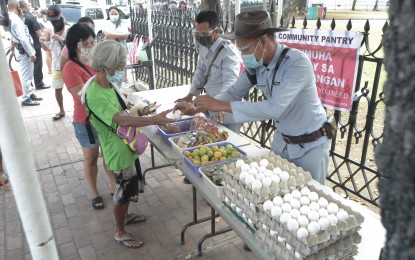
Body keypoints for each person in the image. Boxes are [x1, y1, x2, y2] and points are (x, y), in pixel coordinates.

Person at [179, 11, 330, 184]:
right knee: (277, 191)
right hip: (282, 142)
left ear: (264, 41)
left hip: (310, 146)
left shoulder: (296, 63)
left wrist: (221, 105)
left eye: (245, 49)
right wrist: (200, 106)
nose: (243, 56)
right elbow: (234, 92)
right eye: (240, 50)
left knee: (310, 198)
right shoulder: (257, 66)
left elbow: (275, 107)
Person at [83, 40, 176, 248]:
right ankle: (120, 231)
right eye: (119, 65)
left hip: (127, 145)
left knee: (130, 186)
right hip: (117, 151)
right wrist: (156, 120)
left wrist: (144, 111)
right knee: (123, 192)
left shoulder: (106, 84)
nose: (122, 69)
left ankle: (125, 217)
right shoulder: (95, 93)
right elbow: (121, 120)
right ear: (107, 66)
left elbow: (124, 109)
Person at [174, 10, 241, 184]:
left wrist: (219, 104)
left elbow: (231, 84)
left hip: (225, 108)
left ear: (216, 31)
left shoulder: (229, 53)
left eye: (204, 34)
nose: (200, 37)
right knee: (207, 140)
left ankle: (222, 183)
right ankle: (203, 171)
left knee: (225, 148)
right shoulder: (204, 46)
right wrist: (190, 96)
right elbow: (200, 72)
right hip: (209, 105)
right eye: (197, 33)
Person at [62, 23, 116, 209]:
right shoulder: (70, 68)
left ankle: (113, 186)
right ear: (74, 45)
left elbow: (109, 84)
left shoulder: (96, 63)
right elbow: (82, 95)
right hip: (86, 122)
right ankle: (94, 193)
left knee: (108, 155)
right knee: (91, 158)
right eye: (85, 43)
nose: (90, 46)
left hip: (104, 119)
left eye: (92, 42)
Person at [1, 0, 43, 106]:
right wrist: (32, 53)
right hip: (24, 51)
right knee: (27, 75)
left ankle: (29, 93)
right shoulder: (15, 19)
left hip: (21, 49)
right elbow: (23, 38)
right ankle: (25, 98)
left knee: (28, 74)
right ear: (16, 7)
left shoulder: (10, 17)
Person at [42, 5, 68, 120]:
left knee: (77, 88)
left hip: (69, 65)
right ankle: (61, 110)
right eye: (52, 21)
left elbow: (74, 47)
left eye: (56, 20)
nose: (54, 23)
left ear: (60, 16)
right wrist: (42, 42)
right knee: (58, 89)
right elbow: (47, 49)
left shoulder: (68, 29)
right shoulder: (49, 30)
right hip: (57, 66)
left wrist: (61, 40)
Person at [19, 0, 50, 90]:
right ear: (24, 6)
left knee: (28, 66)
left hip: (24, 45)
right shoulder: (31, 18)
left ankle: (30, 84)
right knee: (37, 64)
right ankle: (39, 83)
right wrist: (43, 42)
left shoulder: (20, 17)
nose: (29, 6)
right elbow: (38, 32)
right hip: (34, 44)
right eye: (28, 4)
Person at [103, 6, 130, 86]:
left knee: (120, 69)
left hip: (122, 50)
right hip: (110, 50)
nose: (114, 15)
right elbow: (107, 35)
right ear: (108, 14)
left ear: (119, 14)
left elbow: (126, 36)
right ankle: (112, 86)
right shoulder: (106, 23)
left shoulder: (123, 24)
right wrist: (119, 36)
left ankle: (119, 87)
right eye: (112, 13)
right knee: (111, 69)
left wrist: (113, 36)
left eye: (115, 13)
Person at [38, 8, 52, 74]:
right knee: (50, 54)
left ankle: (50, 69)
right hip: (50, 35)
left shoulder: (39, 20)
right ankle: (50, 69)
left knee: (48, 54)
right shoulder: (50, 19)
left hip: (45, 35)